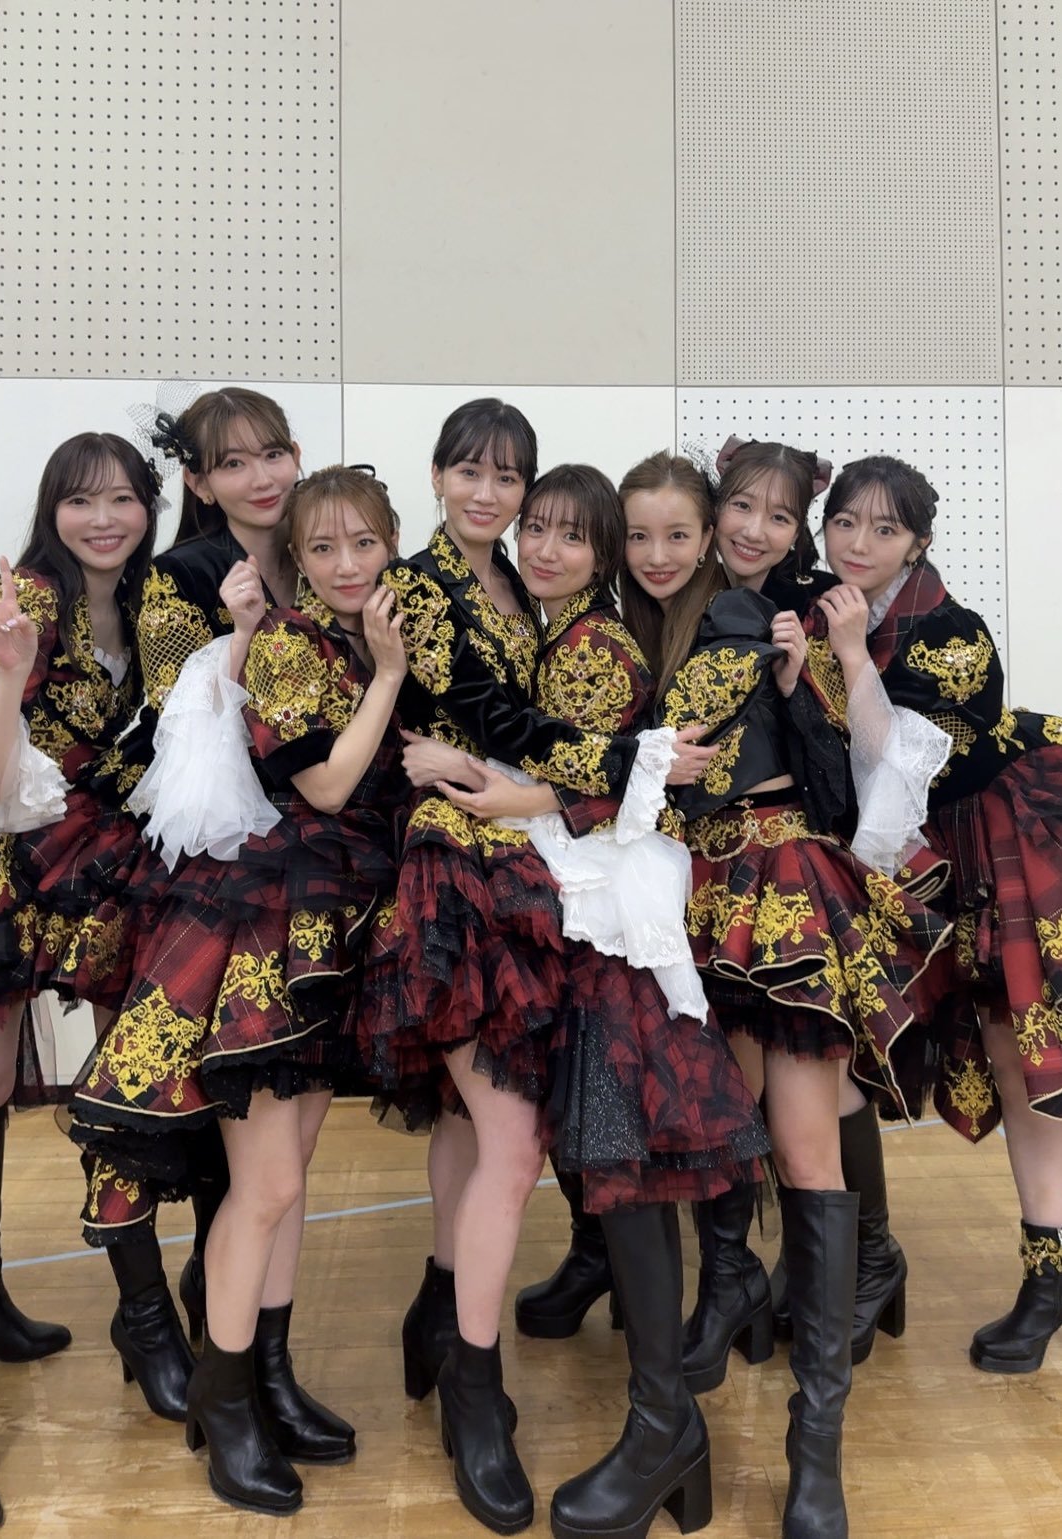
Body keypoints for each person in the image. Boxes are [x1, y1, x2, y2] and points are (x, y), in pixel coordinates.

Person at [361, 403, 712, 1534]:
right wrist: (625, 761)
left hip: (525, 867)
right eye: (471, 471)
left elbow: (511, 736)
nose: (492, 497)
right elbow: (491, 712)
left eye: (510, 480)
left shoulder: (530, 597)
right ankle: (473, 1385)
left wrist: (599, 769)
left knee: (482, 1134)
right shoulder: (423, 587)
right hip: (461, 875)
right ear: (437, 476)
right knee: (504, 1143)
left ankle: (442, 1323)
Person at [438, 462, 770, 1539]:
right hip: (596, 912)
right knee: (617, 1168)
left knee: (629, 1169)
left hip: (619, 922)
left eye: (573, 535)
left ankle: (665, 1426)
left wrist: (491, 788)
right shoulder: (595, 628)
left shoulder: (642, 636)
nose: (547, 549)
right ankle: (666, 1427)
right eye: (536, 529)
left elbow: (629, 770)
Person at [627, 440, 951, 1539]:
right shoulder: (665, 603)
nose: (753, 529)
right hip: (680, 889)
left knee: (806, 1148)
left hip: (778, 888)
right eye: (739, 508)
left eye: (777, 514)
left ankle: (816, 1449)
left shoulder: (801, 614)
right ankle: (729, 1289)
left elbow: (865, 777)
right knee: (718, 1118)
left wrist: (823, 664)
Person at [72, 464, 408, 1515]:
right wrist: (392, 678)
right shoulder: (296, 645)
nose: (347, 564)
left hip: (330, 922)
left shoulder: (363, 636)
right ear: (293, 560)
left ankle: (266, 1377)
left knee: (287, 1179)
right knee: (262, 1187)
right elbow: (327, 784)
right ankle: (223, 1402)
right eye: (324, 548)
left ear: (392, 545)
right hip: (266, 927)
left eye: (364, 544)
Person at [0, 432, 158, 1536]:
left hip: (36, 879)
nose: (103, 519)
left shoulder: (145, 607)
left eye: (123, 499)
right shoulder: (24, 604)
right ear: (51, 509)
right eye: (80, 500)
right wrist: (9, 672)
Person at [60, 387, 303, 1425]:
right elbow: (178, 719)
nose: (260, 476)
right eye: (232, 462)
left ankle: (230, 1330)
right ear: (198, 481)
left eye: (272, 452)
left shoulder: (318, 554)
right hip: (186, 868)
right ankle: (153, 1321)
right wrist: (243, 639)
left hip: (291, 870)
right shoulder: (182, 576)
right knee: (152, 1095)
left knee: (236, 1116)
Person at [804, 453, 1062, 1375]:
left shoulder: (955, 634)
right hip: (919, 859)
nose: (859, 543)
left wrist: (845, 655)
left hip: (1007, 838)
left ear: (919, 542)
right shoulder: (824, 605)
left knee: (1025, 1055)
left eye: (886, 528)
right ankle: (863, 1263)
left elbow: (902, 767)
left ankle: (1047, 1279)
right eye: (844, 521)